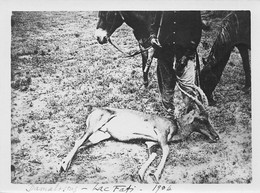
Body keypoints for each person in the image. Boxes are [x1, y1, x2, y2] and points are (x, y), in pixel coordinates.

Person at [149, 11, 202, 112]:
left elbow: (197, 31)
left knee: (188, 91)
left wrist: (186, 55)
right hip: (164, 53)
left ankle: (190, 118)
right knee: (166, 90)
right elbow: (153, 25)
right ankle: (170, 117)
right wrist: (153, 38)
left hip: (185, 54)